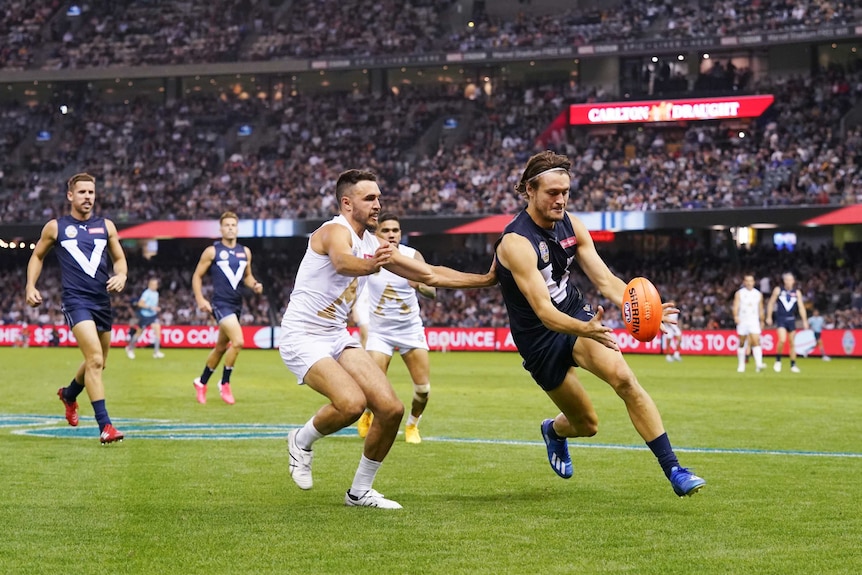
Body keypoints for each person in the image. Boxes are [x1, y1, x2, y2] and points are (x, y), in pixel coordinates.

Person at [279, 169, 495, 509]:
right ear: (347, 203)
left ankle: (359, 492)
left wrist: (486, 280)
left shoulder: (373, 244)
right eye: (370, 198)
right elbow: (342, 262)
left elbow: (428, 274)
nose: (378, 204)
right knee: (351, 404)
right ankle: (301, 441)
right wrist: (372, 266)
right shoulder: (333, 231)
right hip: (302, 336)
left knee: (391, 409)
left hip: (336, 336)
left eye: (379, 197)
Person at [494, 151, 705, 497]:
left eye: (565, 192)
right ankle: (555, 431)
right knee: (587, 425)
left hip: (576, 315)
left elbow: (606, 280)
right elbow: (544, 313)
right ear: (529, 190)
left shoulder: (573, 226)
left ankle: (675, 470)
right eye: (552, 193)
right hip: (540, 340)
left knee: (625, 379)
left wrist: (643, 308)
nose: (560, 199)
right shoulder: (516, 242)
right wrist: (586, 329)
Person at [25, 172, 128, 444]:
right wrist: (29, 285)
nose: (88, 197)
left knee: (100, 362)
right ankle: (105, 426)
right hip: (76, 301)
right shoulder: (55, 227)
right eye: (82, 192)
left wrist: (122, 275)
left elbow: (120, 259)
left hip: (101, 302)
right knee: (94, 359)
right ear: (70, 195)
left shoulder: (106, 226)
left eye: (91, 193)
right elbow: (37, 255)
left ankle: (69, 394)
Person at [356, 214, 436, 444]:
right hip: (380, 333)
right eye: (386, 230)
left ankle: (412, 425)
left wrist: (420, 285)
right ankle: (368, 415)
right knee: (372, 386)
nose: (392, 234)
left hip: (410, 330)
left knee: (423, 389)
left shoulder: (412, 256)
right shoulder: (369, 257)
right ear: (376, 235)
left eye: (396, 230)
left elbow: (433, 291)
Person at [191, 211, 264, 404]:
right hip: (220, 304)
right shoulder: (212, 251)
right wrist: (200, 299)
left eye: (233, 225)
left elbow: (247, 276)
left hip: (236, 304)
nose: (230, 228)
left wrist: (254, 284)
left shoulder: (245, 252)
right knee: (238, 342)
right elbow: (197, 276)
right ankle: (224, 383)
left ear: (237, 228)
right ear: (221, 229)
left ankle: (201, 381)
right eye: (227, 225)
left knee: (221, 347)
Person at [766, 271, 808, 373]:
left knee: (792, 343)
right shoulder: (778, 290)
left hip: (791, 319)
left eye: (790, 280)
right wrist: (769, 316)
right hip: (781, 318)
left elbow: (801, 307)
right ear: (784, 281)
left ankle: (793, 364)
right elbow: (771, 303)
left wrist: (805, 321)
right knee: (782, 340)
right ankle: (778, 360)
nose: (788, 282)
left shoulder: (796, 292)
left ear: (793, 281)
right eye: (787, 280)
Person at [733, 273, 766, 373]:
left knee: (756, 341)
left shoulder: (758, 294)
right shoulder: (739, 293)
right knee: (742, 342)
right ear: (744, 282)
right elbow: (735, 306)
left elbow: (760, 308)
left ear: (754, 282)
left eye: (750, 281)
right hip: (743, 320)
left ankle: (759, 364)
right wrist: (735, 316)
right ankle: (741, 364)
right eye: (747, 281)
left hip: (753, 320)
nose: (749, 283)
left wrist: (762, 320)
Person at [125, 277, 164, 359]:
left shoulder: (156, 293)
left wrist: (156, 308)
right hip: (145, 316)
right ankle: (130, 349)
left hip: (153, 316)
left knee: (158, 331)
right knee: (139, 333)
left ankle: (156, 352)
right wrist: (151, 307)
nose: (155, 286)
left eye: (156, 284)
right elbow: (140, 304)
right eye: (154, 284)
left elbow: (154, 305)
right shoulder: (146, 293)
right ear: (150, 285)